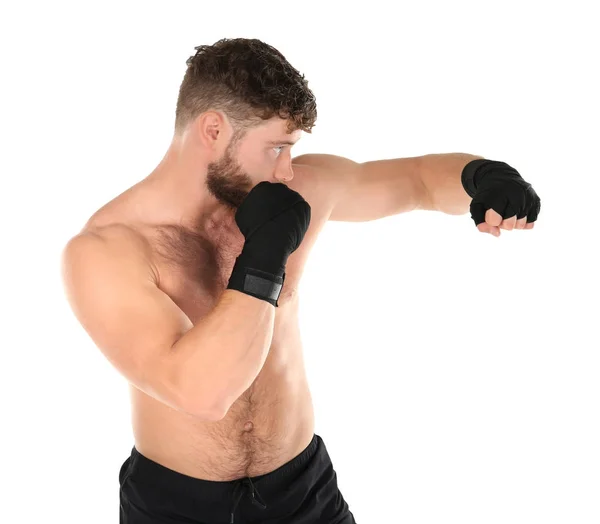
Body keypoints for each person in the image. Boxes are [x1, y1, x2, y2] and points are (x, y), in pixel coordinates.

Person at [60, 38, 541, 524]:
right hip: (178, 507)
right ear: (212, 129)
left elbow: (417, 180)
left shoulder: (289, 192)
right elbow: (200, 394)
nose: (287, 168)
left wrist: (485, 177)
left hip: (302, 490)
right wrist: (265, 257)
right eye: (276, 147)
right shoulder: (107, 251)